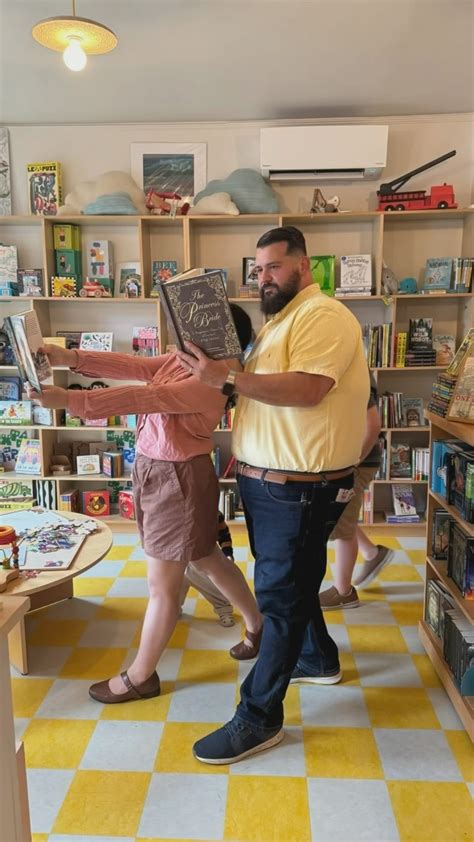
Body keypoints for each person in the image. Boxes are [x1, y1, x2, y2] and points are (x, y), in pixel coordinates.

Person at [177, 226, 370, 764]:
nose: (263, 278)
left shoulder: (323, 315)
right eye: (257, 270)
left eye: (273, 267)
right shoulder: (279, 323)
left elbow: (309, 389)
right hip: (274, 485)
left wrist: (227, 379)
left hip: (300, 488)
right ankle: (317, 658)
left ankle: (258, 718)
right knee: (292, 582)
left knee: (280, 598)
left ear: (303, 266)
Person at [29, 304, 262, 704]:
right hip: (163, 472)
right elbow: (137, 366)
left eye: (196, 326)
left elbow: (147, 397)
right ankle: (258, 625)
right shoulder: (187, 360)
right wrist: (71, 357)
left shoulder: (214, 377)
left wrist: (69, 399)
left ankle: (141, 676)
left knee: (163, 587)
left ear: (220, 338)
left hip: (178, 479)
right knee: (206, 556)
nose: (184, 332)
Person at [319, 374, 395, 610]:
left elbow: (372, 425)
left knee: (343, 526)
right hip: (346, 461)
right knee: (342, 515)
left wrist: (353, 464)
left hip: (357, 463)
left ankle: (344, 592)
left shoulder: (357, 375)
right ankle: (372, 553)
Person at [181, 512, 236, 627]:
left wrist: (228, 554)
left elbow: (224, 535)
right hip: (176, 561)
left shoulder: (211, 511)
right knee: (170, 591)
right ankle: (171, 609)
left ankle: (224, 609)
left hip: (202, 559)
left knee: (212, 584)